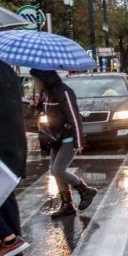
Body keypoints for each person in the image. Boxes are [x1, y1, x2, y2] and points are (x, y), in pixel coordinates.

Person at [29, 69, 97, 218]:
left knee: (58, 169)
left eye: (36, 79)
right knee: (54, 171)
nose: (36, 82)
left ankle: (85, 190)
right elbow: (50, 113)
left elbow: (74, 117)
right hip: (55, 138)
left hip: (68, 137)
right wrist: (37, 105)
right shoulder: (47, 94)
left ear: (44, 78)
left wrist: (79, 140)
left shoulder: (64, 92)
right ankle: (67, 205)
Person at [0, 51, 30, 256]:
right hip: (14, 143)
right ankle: (14, 250)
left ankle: (9, 240)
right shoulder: (6, 70)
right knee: (3, 193)